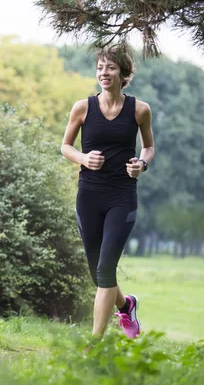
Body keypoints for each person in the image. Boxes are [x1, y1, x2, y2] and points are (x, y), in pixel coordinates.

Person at [60, 44, 155, 340]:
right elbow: (65, 146)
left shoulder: (139, 110)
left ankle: (95, 344)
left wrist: (141, 163)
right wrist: (83, 158)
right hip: (88, 195)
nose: (104, 73)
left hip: (122, 196)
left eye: (110, 68)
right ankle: (127, 306)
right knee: (99, 273)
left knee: (105, 269)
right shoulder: (83, 107)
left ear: (123, 73)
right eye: (100, 67)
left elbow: (149, 147)